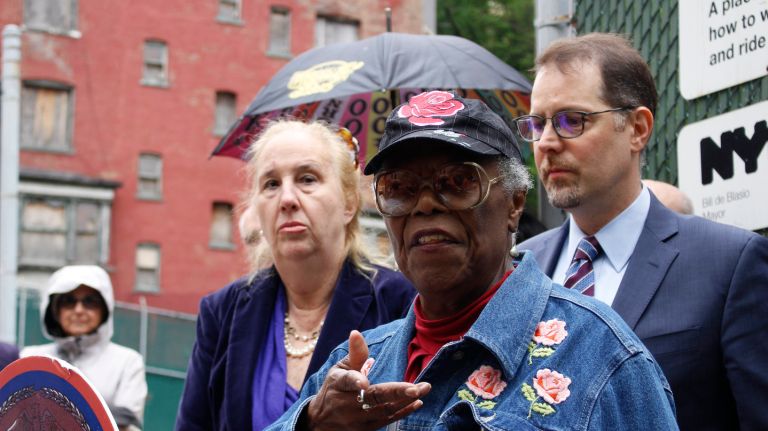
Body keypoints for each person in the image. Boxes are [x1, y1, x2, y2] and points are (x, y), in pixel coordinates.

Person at [267, 91, 677, 430]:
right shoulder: (356, 367)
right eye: (399, 188)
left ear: (514, 204)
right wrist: (315, 422)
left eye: (459, 181)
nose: (425, 205)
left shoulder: (601, 357)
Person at [516, 33, 768, 430]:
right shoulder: (518, 268)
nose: (546, 142)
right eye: (536, 124)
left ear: (637, 128)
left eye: (571, 121)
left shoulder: (729, 264)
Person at [175, 120, 417, 431]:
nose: (287, 199)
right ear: (256, 208)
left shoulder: (402, 302)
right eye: (271, 184)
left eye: (307, 179)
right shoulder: (222, 311)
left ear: (349, 202)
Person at [20, 265, 148, 429]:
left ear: (105, 308)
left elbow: (126, 420)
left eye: (90, 301)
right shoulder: (31, 358)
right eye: (68, 301)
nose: (79, 310)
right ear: (54, 310)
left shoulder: (127, 362)